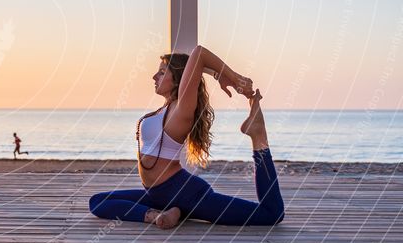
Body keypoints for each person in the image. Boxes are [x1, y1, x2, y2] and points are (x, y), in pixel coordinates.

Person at [89, 45, 285, 229]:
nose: (154, 76)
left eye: (162, 72)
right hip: (158, 196)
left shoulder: (181, 110)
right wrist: (216, 74)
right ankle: (158, 215)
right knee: (97, 202)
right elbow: (194, 67)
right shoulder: (164, 110)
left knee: (270, 214)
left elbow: (199, 53)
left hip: (186, 194)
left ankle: (258, 135)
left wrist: (233, 78)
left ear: (178, 78)